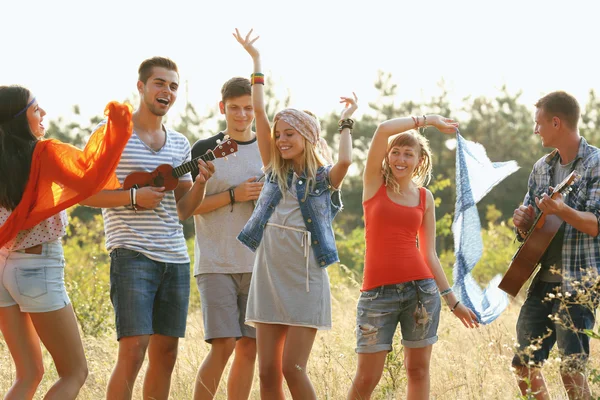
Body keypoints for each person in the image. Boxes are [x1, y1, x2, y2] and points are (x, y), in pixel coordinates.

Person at [80, 57, 214, 400]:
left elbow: (182, 210)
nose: (166, 91)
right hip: (131, 253)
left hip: (175, 258)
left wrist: (200, 183)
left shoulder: (180, 143)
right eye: (159, 83)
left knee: (166, 354)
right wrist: (134, 196)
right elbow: (85, 194)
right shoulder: (110, 133)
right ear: (141, 87)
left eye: (173, 86)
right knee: (134, 348)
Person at [234, 29, 356, 400]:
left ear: (307, 137)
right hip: (270, 272)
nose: (282, 139)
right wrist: (256, 62)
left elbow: (347, 160)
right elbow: (258, 109)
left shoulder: (322, 180)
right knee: (268, 371)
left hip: (305, 276)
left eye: (291, 133)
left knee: (293, 368)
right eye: (279, 133)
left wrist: (346, 120)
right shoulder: (272, 169)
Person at [0, 85, 133, 399]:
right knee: (75, 372)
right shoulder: (43, 153)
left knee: (28, 374)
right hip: (37, 269)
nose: (43, 113)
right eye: (35, 109)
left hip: (3, 270)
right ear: (19, 119)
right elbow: (88, 177)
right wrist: (116, 127)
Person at [346, 115, 479, 400]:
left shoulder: (424, 198)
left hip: (421, 292)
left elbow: (428, 253)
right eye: (396, 152)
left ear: (420, 160)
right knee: (367, 376)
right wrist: (428, 121)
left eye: (409, 153)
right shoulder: (374, 184)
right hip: (376, 296)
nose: (401, 158)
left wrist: (453, 301)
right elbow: (382, 129)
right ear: (387, 156)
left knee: (417, 371)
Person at [511, 91, 600, 400]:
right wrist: (522, 221)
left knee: (571, 370)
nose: (535, 130)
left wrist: (562, 210)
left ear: (556, 122)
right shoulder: (540, 168)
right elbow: (529, 230)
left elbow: (596, 224)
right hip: (544, 281)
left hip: (580, 283)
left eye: (538, 123)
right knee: (523, 366)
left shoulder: (596, 163)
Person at [190, 76, 263, 400]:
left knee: (249, 347)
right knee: (222, 345)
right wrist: (234, 194)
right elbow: (191, 207)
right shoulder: (205, 148)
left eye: (249, 108)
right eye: (235, 108)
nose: (242, 115)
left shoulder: (269, 147)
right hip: (216, 262)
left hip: (258, 263)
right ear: (223, 108)